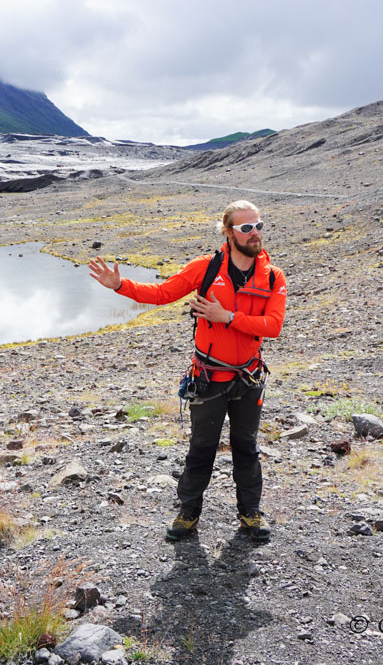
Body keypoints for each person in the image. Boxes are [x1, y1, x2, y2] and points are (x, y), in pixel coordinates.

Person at [89, 200, 287, 542]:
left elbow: (273, 326)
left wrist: (227, 317)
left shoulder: (272, 276)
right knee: (201, 448)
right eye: (246, 228)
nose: (255, 234)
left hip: (249, 379)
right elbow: (163, 293)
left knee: (246, 448)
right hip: (209, 379)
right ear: (228, 232)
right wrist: (121, 286)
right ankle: (188, 513)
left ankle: (250, 514)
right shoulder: (205, 269)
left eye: (259, 226)